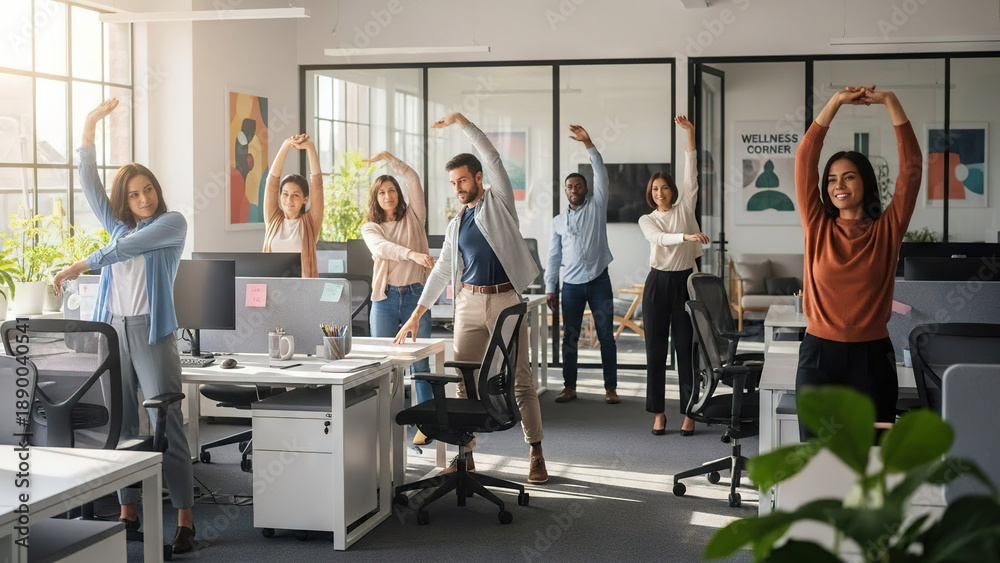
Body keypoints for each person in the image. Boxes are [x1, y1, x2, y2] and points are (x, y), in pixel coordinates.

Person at [52, 98, 196, 553]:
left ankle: (185, 519)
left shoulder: (171, 224)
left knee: (165, 420)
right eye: (134, 194)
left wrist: (77, 266)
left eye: (148, 189)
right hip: (112, 330)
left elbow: (121, 253)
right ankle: (127, 511)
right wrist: (89, 127)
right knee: (122, 423)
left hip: (151, 334)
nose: (144, 198)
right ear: (125, 200)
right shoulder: (117, 227)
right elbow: (90, 185)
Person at [394, 112, 548, 484]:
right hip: (468, 304)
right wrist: (417, 312)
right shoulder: (456, 222)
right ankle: (467, 456)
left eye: (463, 179)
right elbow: (443, 269)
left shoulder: (499, 203)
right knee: (464, 381)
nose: (458, 187)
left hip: (505, 302)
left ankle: (536, 451)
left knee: (521, 380)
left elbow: (492, 156)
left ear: (478, 178)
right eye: (453, 182)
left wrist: (464, 123)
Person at [794, 86, 920, 439]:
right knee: (819, 461)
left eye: (848, 176)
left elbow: (912, 168)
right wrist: (834, 103)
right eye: (832, 179)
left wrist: (891, 102)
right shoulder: (817, 226)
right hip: (819, 356)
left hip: (872, 360)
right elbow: (805, 160)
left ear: (865, 181)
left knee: (872, 461)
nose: (839, 185)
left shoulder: (887, 230)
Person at [638, 116, 710, 437]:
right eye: (655, 189)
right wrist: (687, 238)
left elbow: (691, 172)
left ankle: (689, 410)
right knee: (655, 349)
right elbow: (660, 240)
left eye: (664, 187)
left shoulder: (685, 209)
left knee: (685, 348)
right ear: (650, 193)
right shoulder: (647, 220)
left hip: (683, 283)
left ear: (673, 190)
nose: (660, 192)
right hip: (657, 284)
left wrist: (691, 135)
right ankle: (658, 413)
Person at [360, 151, 435, 445]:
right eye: (381, 192)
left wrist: (390, 159)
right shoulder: (370, 227)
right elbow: (382, 249)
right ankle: (384, 419)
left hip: (417, 296)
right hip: (385, 299)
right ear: (375, 198)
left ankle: (426, 421)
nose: (388, 195)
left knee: (421, 364)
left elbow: (412, 178)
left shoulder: (414, 216)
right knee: (385, 363)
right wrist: (412, 254)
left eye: (392, 190)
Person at [546, 124, 618, 405]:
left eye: (578, 185)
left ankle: (610, 388)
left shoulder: (598, 206)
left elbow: (600, 172)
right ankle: (569, 387)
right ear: (565, 191)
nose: (574, 189)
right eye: (569, 187)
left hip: (600, 281)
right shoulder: (557, 221)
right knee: (570, 339)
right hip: (571, 287)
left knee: (606, 337)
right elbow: (553, 256)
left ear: (586, 188)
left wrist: (588, 143)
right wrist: (551, 287)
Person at [262, 134, 324, 278]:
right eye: (285, 194)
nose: (289, 199)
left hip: (302, 292)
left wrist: (310, 148)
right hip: (273, 290)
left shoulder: (311, 222)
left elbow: (317, 185)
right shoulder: (273, 219)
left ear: (305, 199)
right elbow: (271, 182)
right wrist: (286, 146)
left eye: (295, 195)